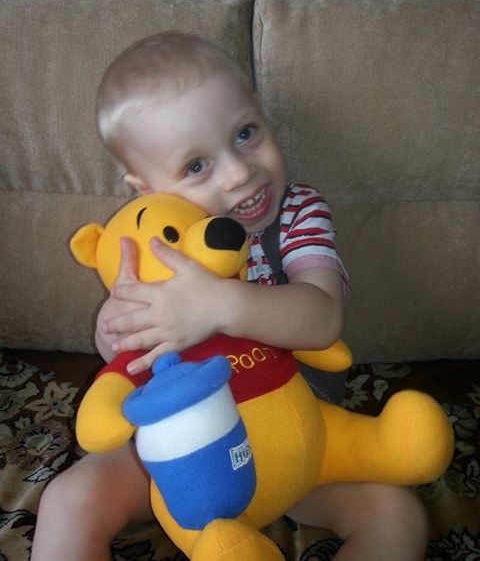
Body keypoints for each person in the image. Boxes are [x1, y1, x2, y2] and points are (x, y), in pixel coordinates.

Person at [31, 32, 429, 561]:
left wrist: (218, 305)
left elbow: (322, 317)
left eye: (245, 133)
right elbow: (124, 361)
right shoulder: (153, 246)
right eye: (196, 166)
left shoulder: (298, 213)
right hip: (184, 454)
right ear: (147, 190)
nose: (240, 172)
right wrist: (118, 324)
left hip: (299, 440)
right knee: (67, 500)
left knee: (398, 515)